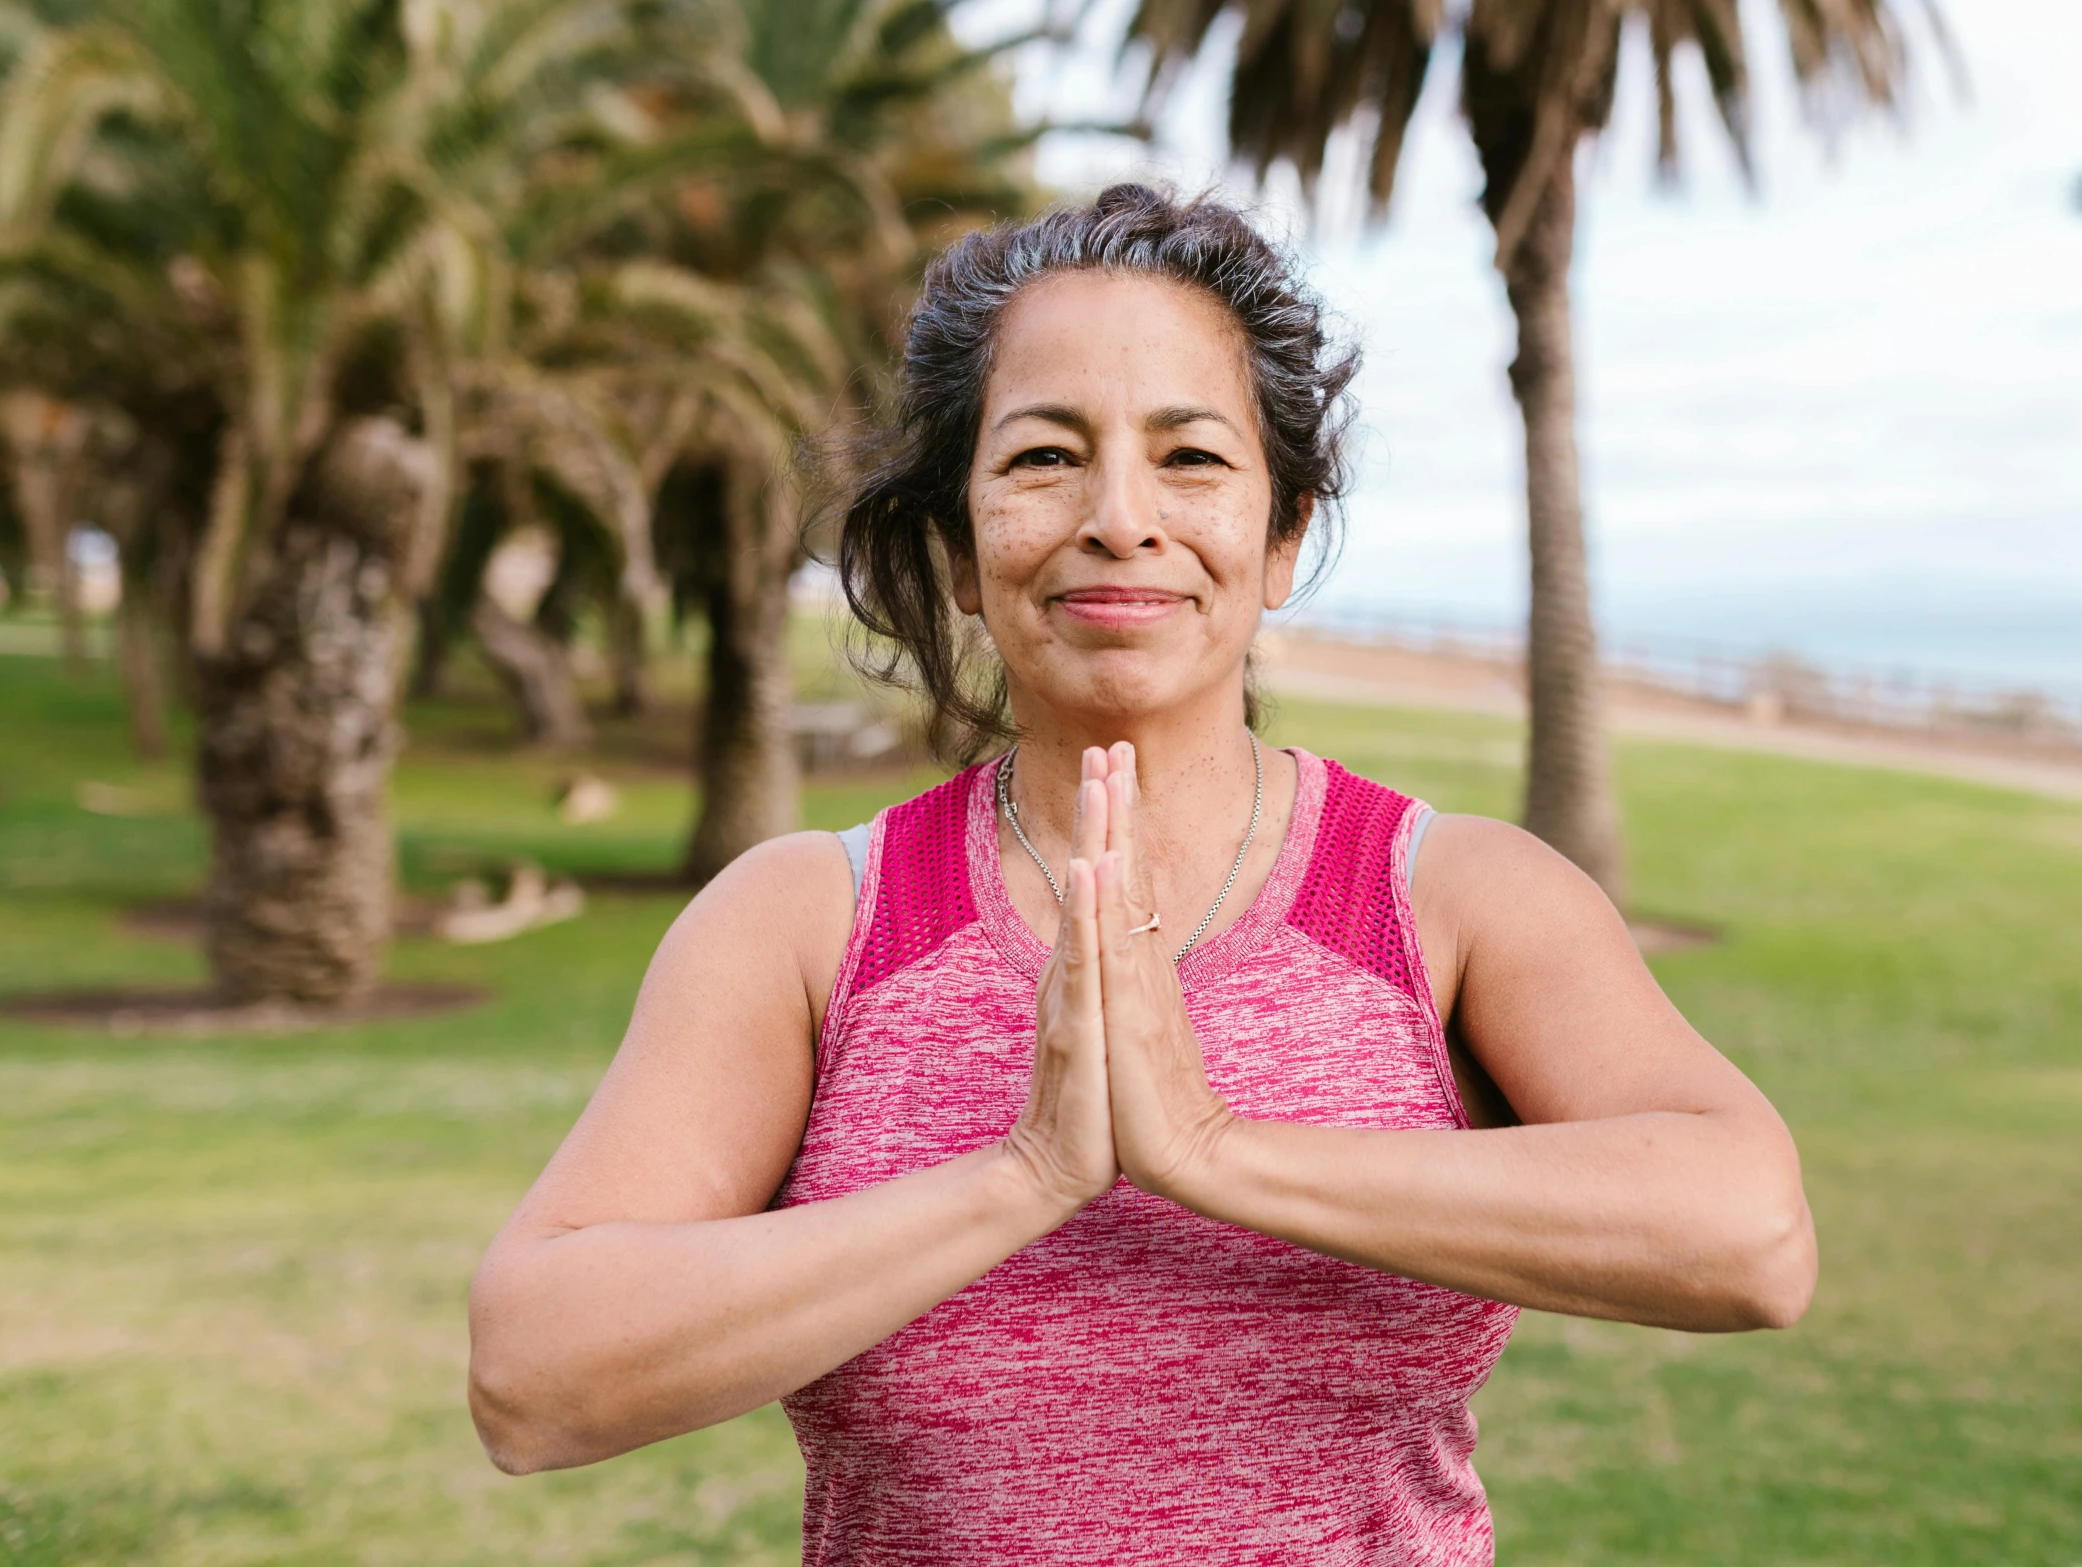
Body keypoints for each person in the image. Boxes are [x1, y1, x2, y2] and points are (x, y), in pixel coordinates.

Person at [466, 184, 1816, 1564]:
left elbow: (1749, 1232)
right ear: (958, 551)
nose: (1120, 517)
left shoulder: (1450, 902)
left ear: (1281, 534)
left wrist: (1216, 1151)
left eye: (1190, 458)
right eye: (1045, 456)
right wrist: (1025, 1171)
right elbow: (534, 1374)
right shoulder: (808, 923)